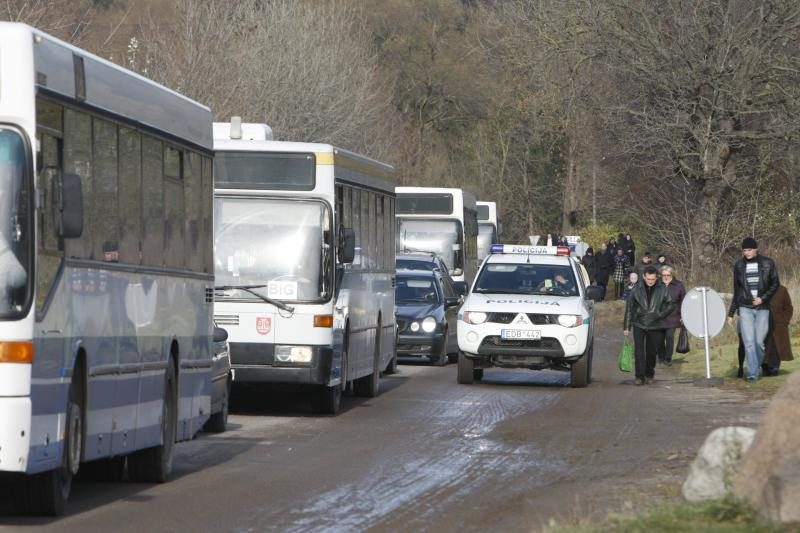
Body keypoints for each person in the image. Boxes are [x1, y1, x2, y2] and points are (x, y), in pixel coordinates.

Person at [726, 237, 779, 381]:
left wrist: (763, 298)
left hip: (762, 307)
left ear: (756, 249)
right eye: (744, 250)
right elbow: (736, 290)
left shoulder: (768, 263)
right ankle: (753, 374)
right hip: (745, 307)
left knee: (758, 343)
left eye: (749, 250)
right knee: (748, 342)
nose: (747, 253)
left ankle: (756, 365)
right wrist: (730, 313)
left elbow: (775, 284)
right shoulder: (738, 265)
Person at [623, 266, 674, 385]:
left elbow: (671, 305)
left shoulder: (662, 289)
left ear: (656, 277)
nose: (650, 281)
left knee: (651, 352)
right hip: (639, 323)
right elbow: (630, 308)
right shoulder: (637, 289)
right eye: (648, 279)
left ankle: (649, 373)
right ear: (644, 277)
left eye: (653, 279)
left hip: (655, 324)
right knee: (639, 351)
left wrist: (661, 314)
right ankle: (639, 376)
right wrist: (627, 326)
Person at [658, 266, 686, 366]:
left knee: (669, 337)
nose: (665, 277)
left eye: (668, 275)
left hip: (673, 315)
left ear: (672, 275)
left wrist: (683, 315)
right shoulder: (657, 285)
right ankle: (661, 357)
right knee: (659, 339)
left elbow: (684, 301)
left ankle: (668, 358)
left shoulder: (679, 285)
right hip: (659, 316)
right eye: (663, 275)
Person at [763, 283, 793, 376]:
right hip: (763, 324)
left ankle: (774, 367)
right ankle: (765, 367)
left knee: (777, 346)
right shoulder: (761, 288)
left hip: (779, 325)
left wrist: (784, 321)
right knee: (765, 346)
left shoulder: (782, 290)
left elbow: (788, 308)